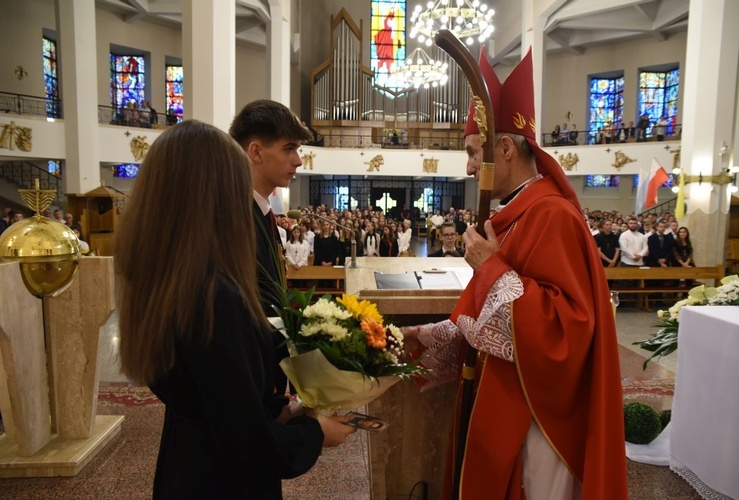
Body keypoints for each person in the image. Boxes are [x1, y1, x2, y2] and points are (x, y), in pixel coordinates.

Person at [403, 48, 626, 498]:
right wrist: (433, 335)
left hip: (539, 420)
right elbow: (501, 316)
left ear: (504, 148)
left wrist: (490, 267)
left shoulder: (551, 216)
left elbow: (567, 331)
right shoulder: (519, 215)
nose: (467, 166)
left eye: (471, 152)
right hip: (509, 393)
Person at [114, 120, 354, 498]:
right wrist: (315, 433)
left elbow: (214, 397)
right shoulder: (212, 295)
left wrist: (282, 412)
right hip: (221, 481)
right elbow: (245, 443)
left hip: (187, 461)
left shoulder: (164, 276)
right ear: (215, 194)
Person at [229, 99, 311, 396]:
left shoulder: (259, 212)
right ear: (256, 151)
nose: (298, 160)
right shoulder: (234, 217)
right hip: (247, 377)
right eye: (289, 149)